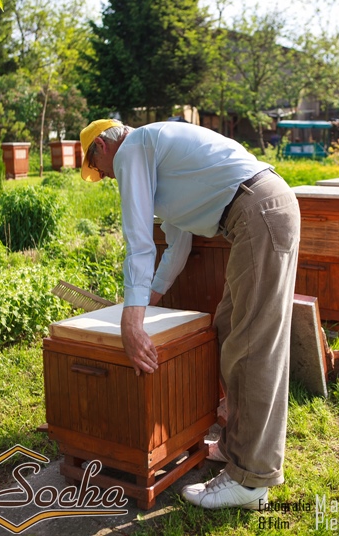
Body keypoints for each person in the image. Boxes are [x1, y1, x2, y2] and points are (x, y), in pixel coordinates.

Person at [80, 118, 301, 510]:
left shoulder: (133, 148)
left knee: (252, 347)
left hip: (256, 213)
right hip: (259, 212)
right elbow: (177, 243)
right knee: (230, 327)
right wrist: (148, 299)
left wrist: (131, 320)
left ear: (102, 145)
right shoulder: (157, 157)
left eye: (98, 169)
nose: (105, 177)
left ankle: (250, 480)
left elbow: (138, 241)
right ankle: (237, 447)